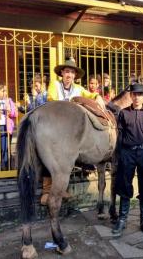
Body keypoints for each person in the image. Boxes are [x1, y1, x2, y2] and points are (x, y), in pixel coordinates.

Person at [43, 58, 105, 205]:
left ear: (75, 75)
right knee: (49, 157)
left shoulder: (79, 89)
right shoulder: (55, 85)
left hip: (68, 131)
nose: (69, 75)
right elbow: (51, 99)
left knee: (66, 160)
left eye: (72, 72)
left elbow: (90, 95)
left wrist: (98, 96)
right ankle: (46, 191)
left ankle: (61, 188)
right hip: (54, 125)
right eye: (66, 72)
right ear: (62, 73)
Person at [112, 83, 143, 237]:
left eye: (140, 94)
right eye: (134, 94)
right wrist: (119, 154)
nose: (137, 97)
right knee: (124, 186)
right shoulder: (124, 113)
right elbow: (119, 136)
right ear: (130, 96)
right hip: (127, 154)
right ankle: (122, 220)